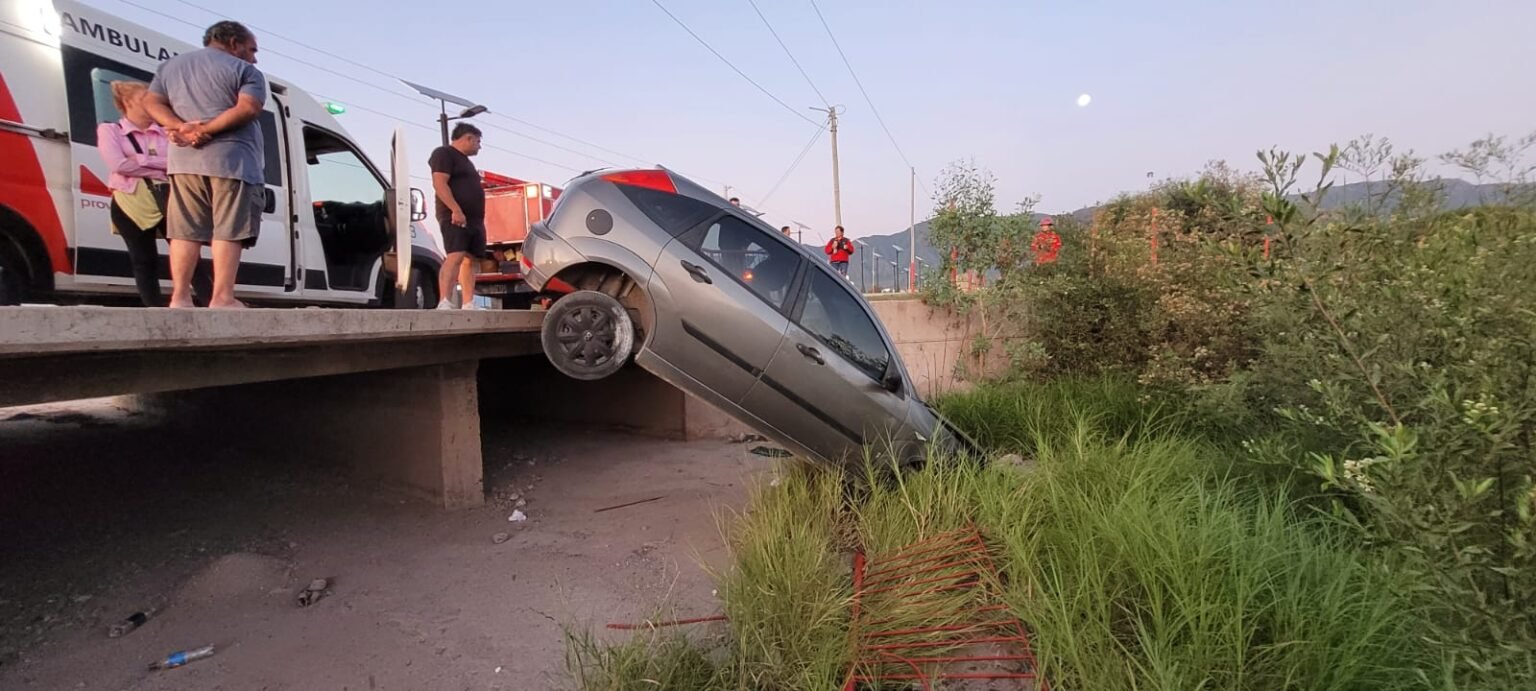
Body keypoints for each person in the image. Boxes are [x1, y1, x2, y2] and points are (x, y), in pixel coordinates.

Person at [144, 20, 267, 309]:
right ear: (234, 43)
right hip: (232, 161)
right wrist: (206, 130)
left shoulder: (170, 67)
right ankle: (222, 297)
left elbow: (151, 102)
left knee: (185, 231)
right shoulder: (246, 71)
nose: (255, 57)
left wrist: (180, 127)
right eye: (252, 49)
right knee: (229, 229)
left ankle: (180, 297)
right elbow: (248, 107)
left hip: (184, 162)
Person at [96, 81, 210, 307]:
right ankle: (154, 309)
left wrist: (139, 161)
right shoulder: (110, 130)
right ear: (127, 103)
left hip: (170, 199)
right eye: (145, 100)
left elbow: (178, 164)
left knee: (189, 256)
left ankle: (210, 302)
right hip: (130, 201)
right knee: (143, 259)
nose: (153, 105)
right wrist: (159, 165)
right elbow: (118, 164)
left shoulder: (167, 132)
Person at [428, 123, 486, 309]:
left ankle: (468, 302)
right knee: (455, 255)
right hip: (454, 215)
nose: (479, 146)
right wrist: (456, 209)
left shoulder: (467, 162)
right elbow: (439, 183)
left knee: (470, 259)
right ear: (467, 138)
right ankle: (444, 300)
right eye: (477, 141)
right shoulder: (444, 153)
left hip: (474, 219)